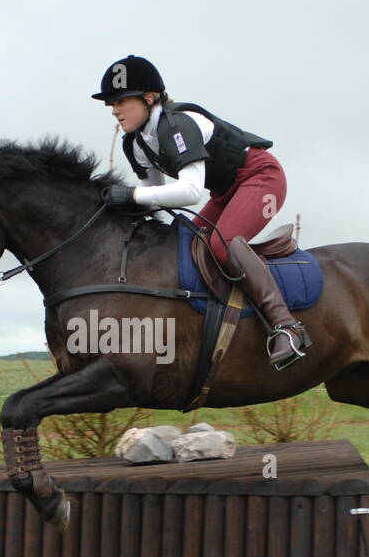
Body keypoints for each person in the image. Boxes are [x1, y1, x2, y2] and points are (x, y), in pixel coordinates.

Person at [93, 54, 312, 370]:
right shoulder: (135, 143)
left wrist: (132, 195)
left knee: (223, 244)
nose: (114, 110)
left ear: (149, 98)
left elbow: (190, 192)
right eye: (111, 104)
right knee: (183, 244)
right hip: (225, 191)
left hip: (261, 176)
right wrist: (117, 206)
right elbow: (154, 197)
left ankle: (286, 326)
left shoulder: (177, 124)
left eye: (121, 101)